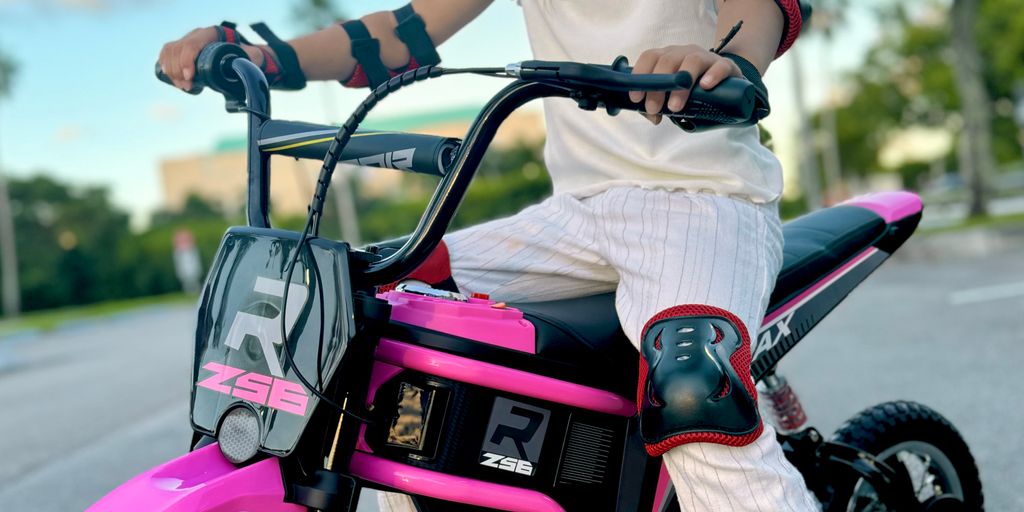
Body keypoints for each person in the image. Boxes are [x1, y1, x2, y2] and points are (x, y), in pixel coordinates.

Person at [159, 1, 817, 510]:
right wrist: (262, 57)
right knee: (374, 306)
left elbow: (759, 8)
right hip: (582, 211)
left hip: (702, 199)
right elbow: (400, 36)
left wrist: (723, 58)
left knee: (693, 391)